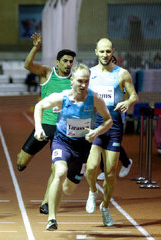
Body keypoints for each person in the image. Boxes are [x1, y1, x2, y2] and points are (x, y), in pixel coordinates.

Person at [34, 63, 112, 230]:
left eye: (86, 81)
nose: (83, 85)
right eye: (79, 81)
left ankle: (59, 195)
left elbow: (108, 120)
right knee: (60, 172)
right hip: (62, 142)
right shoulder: (62, 97)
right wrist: (39, 128)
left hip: (83, 147)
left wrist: (96, 131)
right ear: (72, 81)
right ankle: (52, 219)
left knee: (68, 189)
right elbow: (39, 106)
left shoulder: (94, 98)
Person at [16, 32, 76, 214]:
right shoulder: (47, 73)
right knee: (21, 161)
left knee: (56, 168)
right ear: (57, 62)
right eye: (65, 61)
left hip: (63, 129)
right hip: (44, 126)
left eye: (71, 61)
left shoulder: (75, 81)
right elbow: (27, 65)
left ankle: (46, 203)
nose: (68, 64)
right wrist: (36, 47)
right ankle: (24, 161)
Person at [85, 38, 138, 227]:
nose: (105, 55)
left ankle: (105, 208)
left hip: (114, 127)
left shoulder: (122, 74)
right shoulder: (90, 74)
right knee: (91, 168)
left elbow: (134, 95)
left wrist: (128, 102)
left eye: (108, 51)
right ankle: (92, 191)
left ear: (112, 51)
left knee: (110, 172)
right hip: (96, 125)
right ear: (96, 52)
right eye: (102, 51)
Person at [97, 56, 133, 180]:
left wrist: (127, 104)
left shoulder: (121, 77)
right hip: (101, 116)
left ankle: (126, 162)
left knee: (113, 144)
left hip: (117, 117)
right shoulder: (99, 78)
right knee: (101, 142)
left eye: (113, 63)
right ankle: (103, 169)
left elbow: (130, 96)